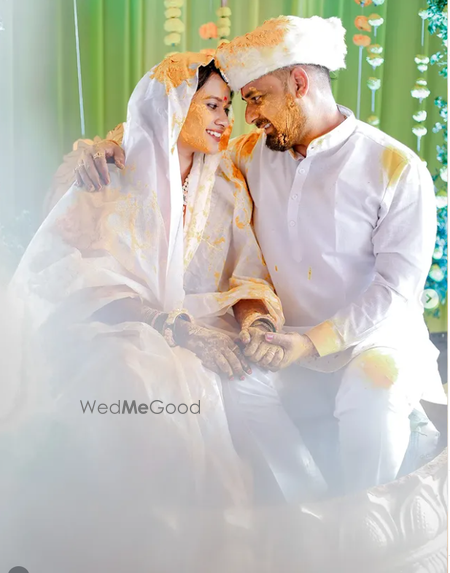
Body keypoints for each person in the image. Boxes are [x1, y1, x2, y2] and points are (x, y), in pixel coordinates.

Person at [75, 16, 446, 496]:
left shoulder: (395, 167)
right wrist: (111, 145)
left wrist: (311, 343)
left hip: (372, 341)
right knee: (232, 384)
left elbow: (395, 289)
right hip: (276, 338)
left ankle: (365, 523)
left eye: (255, 98)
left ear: (298, 84)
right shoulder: (251, 153)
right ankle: (306, 514)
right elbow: (175, 139)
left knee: (373, 393)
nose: (247, 115)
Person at [3, 52, 327, 571]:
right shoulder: (108, 169)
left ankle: (307, 541)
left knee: (238, 388)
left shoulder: (227, 180)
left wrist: (257, 324)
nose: (226, 120)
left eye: (228, 108)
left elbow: (247, 271)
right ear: (173, 105)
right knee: (138, 378)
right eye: (213, 105)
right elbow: (65, 276)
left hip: (204, 322)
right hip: (111, 324)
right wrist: (172, 327)